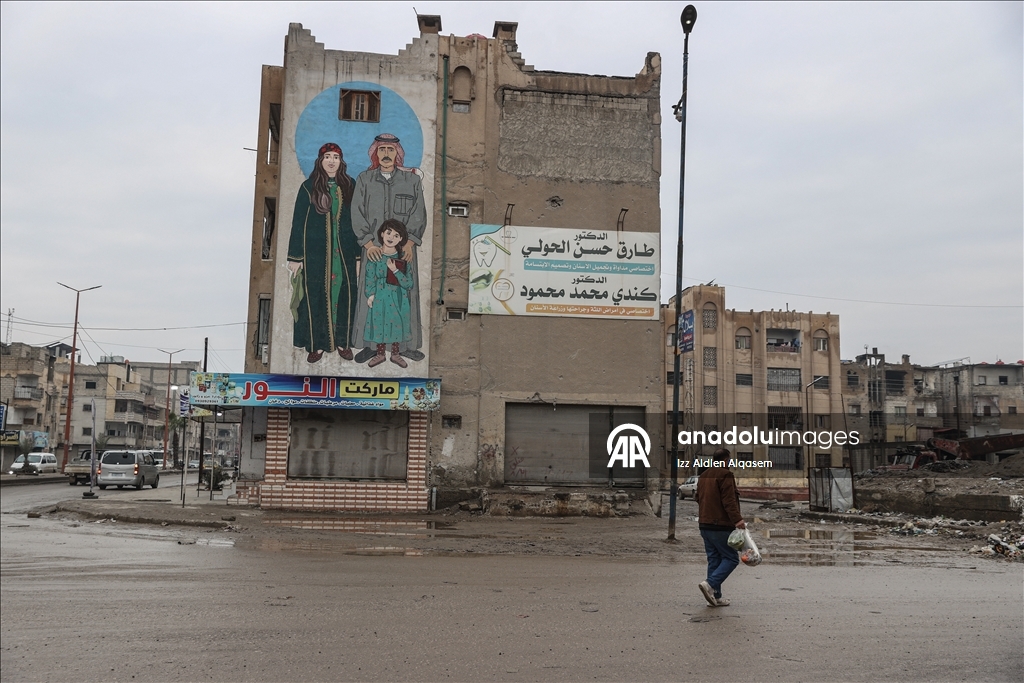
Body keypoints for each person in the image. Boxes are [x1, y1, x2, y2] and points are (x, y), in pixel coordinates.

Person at [350, 133, 426, 364]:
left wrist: (410, 242)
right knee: (371, 296)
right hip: (373, 249)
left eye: (390, 150)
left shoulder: (411, 181)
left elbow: (419, 212)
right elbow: (356, 211)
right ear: (375, 152)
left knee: (404, 296)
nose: (386, 154)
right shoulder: (365, 179)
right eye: (381, 149)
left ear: (398, 154)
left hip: (403, 250)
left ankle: (406, 346)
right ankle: (371, 346)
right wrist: (368, 242)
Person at [287, 142, 359, 363]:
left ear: (341, 161)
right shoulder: (308, 188)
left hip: (344, 254)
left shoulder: (349, 186)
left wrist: (357, 256)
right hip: (315, 255)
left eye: (335, 157)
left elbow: (356, 222)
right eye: (327, 156)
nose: (331, 161)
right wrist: (295, 257)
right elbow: (298, 223)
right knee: (315, 298)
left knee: (344, 295)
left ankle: (342, 342)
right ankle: (316, 345)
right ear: (320, 161)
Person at [694, 448, 746, 607]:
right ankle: (710, 584)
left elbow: (697, 497)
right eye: (729, 460)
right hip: (720, 525)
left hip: (704, 525)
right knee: (731, 558)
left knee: (714, 559)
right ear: (725, 460)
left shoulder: (703, 476)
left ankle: (715, 596)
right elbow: (729, 501)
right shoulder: (726, 475)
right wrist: (738, 521)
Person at [363, 219, 414, 368]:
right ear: (382, 234)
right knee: (379, 322)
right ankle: (380, 354)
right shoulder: (375, 256)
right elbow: (369, 276)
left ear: (401, 239)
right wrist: (370, 294)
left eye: (396, 235)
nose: (391, 237)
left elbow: (408, 283)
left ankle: (395, 354)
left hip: (398, 296)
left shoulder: (403, 258)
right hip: (380, 296)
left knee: (396, 322)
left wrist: (395, 270)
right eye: (389, 232)